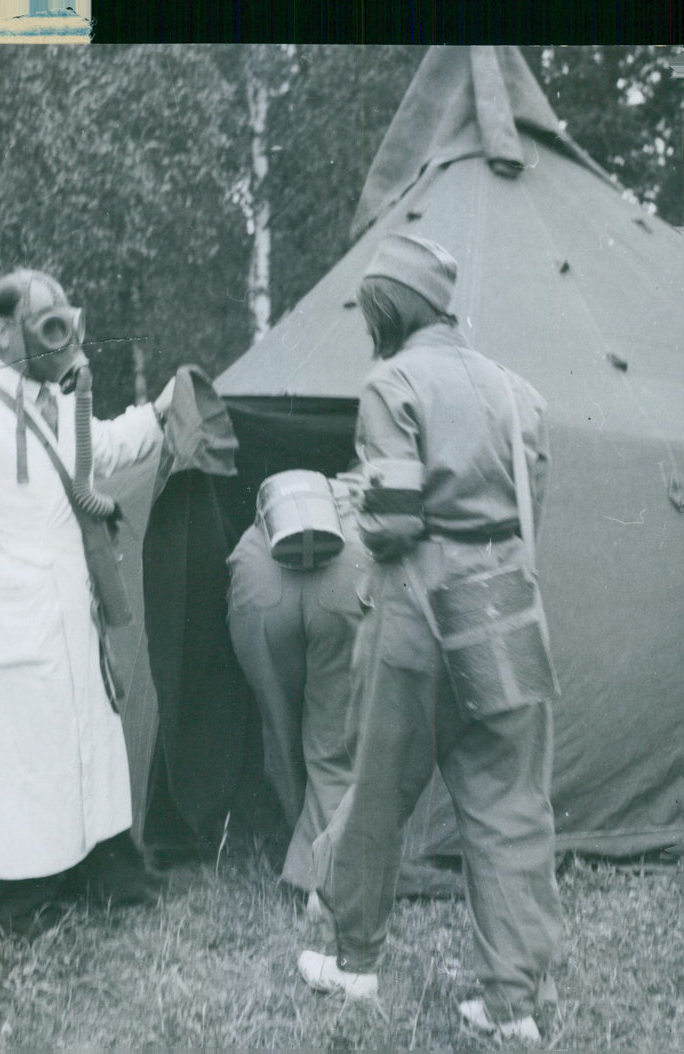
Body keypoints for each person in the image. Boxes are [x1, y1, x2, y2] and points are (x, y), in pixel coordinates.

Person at [297, 231, 562, 1045]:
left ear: (386, 309)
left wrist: (356, 511)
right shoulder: (518, 389)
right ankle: (514, 1005)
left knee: (379, 788)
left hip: (418, 610)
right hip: (507, 602)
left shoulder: (393, 382)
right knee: (512, 805)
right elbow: (530, 505)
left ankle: (354, 962)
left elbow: (396, 522)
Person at [0, 269, 175, 939]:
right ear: (4, 331)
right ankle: (25, 900)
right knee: (26, 768)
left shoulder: (58, 408)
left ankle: (103, 874)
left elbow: (103, 451)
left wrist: (160, 411)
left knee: (87, 753)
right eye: (45, 325)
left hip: (70, 619)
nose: (61, 338)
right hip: (11, 633)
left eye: (67, 322)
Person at [227, 472, 372, 894]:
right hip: (346, 572)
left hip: (260, 577)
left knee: (279, 725)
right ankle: (319, 869)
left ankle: (299, 836)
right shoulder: (366, 491)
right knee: (332, 742)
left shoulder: (270, 508)